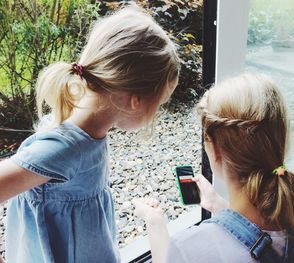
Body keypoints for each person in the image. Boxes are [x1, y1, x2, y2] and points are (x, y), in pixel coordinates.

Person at [0, 5, 179, 263]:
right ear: (135, 101)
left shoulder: (92, 128)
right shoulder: (65, 147)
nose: (157, 113)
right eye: (159, 104)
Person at [133, 73, 294, 263]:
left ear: (215, 151)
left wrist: (154, 221)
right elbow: (265, 237)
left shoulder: (193, 249)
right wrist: (218, 205)